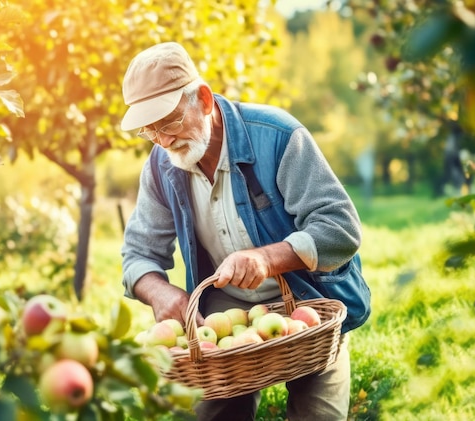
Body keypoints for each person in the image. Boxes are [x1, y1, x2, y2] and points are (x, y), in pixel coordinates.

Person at [120, 42, 371, 421]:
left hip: (307, 303)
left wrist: (267, 259)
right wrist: (158, 291)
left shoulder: (278, 137)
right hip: (224, 314)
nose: (163, 140)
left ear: (203, 100)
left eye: (169, 121)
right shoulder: (161, 167)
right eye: (149, 129)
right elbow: (137, 254)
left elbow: (340, 227)